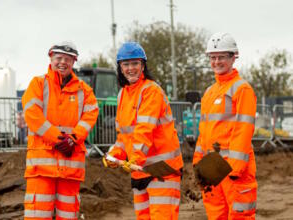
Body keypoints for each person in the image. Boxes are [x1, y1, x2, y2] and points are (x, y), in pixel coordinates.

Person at [103, 42, 183, 219]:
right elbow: (124, 135)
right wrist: (115, 154)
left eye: (135, 63)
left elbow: (144, 129)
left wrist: (135, 159)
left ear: (143, 66)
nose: (130, 68)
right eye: (126, 64)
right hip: (140, 170)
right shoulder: (123, 94)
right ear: (120, 68)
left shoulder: (151, 91)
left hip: (162, 171)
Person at [22, 41, 99, 219]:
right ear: (51, 58)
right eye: (59, 58)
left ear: (74, 62)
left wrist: (73, 139)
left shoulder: (85, 91)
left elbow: (90, 117)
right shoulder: (38, 84)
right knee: (37, 215)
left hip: (70, 166)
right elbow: (32, 115)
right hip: (41, 167)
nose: (63, 62)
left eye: (68, 59)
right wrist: (59, 139)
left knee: (69, 215)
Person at [193, 33, 257, 219]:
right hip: (212, 169)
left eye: (221, 57)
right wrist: (198, 163)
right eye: (213, 58)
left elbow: (243, 130)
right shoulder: (209, 92)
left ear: (233, 57)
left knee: (239, 215)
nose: (217, 61)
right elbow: (203, 132)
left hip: (233, 171)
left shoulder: (242, 89)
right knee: (216, 215)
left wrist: (235, 168)